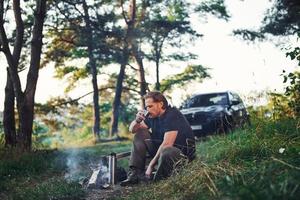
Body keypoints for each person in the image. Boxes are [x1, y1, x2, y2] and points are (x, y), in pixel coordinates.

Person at [120, 91, 196, 186]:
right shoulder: (152, 115)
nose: (148, 109)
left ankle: (157, 181)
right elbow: (132, 130)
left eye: (150, 106)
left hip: (181, 156)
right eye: (146, 107)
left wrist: (151, 166)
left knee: (167, 151)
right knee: (141, 133)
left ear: (160, 104)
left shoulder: (172, 115)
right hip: (162, 151)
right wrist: (137, 120)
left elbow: (167, 144)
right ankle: (135, 174)